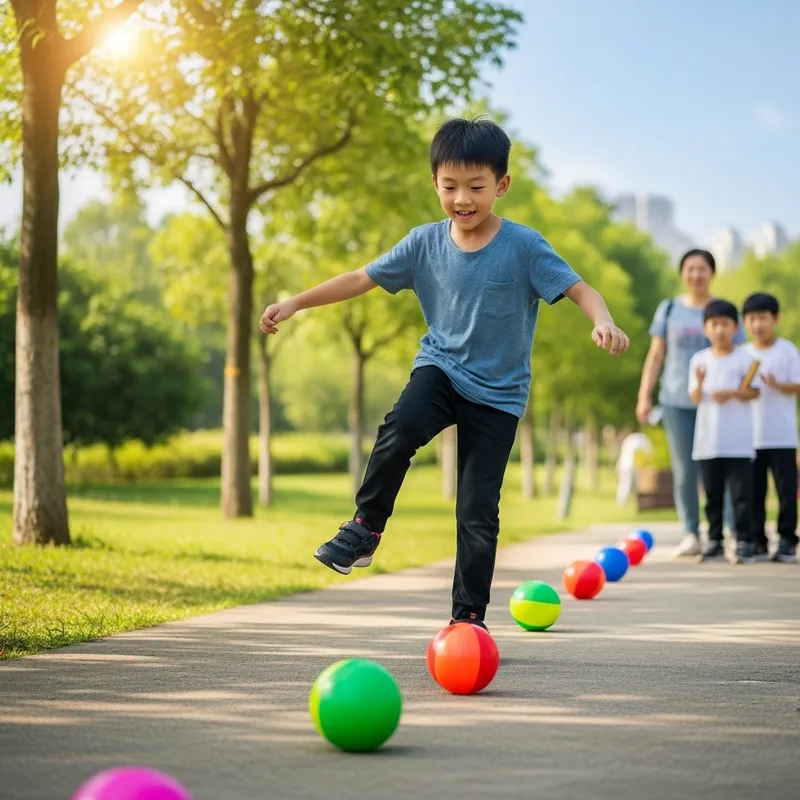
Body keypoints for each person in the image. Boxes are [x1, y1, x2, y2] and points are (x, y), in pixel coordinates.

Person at [259, 118, 630, 629]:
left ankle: (468, 618)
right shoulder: (423, 243)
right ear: (434, 183)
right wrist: (297, 302)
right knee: (399, 428)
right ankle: (365, 528)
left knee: (477, 510)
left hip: (498, 396)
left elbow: (581, 289)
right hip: (441, 368)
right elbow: (360, 277)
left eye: (476, 187)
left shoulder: (524, 246)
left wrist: (603, 320)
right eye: (450, 186)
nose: (462, 198)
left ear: (501, 185)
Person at [636, 249, 744, 558]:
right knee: (685, 471)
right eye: (690, 269)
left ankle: (729, 532)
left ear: (712, 273)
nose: (696, 275)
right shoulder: (669, 309)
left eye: (702, 269)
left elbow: (743, 356)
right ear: (682, 273)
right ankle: (691, 533)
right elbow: (656, 355)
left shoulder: (725, 309)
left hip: (718, 405)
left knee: (721, 468)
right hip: (675, 401)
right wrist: (645, 395)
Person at [688, 300, 759, 564]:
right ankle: (715, 540)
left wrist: (732, 393)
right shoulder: (699, 360)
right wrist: (700, 384)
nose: (720, 330)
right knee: (713, 494)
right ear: (705, 328)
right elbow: (695, 397)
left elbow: (754, 392)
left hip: (739, 442)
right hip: (708, 441)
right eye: (714, 324)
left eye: (725, 324)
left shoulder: (746, 359)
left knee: (742, 495)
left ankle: (744, 541)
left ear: (735, 327)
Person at [743, 292, 800, 563]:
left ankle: (787, 539)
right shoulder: (743, 353)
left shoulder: (787, 350)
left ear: (775, 319)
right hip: (749, 437)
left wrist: (778, 385)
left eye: (763, 318)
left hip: (782, 436)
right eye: (752, 319)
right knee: (753, 492)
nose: (757, 325)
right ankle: (757, 540)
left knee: (786, 491)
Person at [615, 427, 653, 507]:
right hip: (631, 465)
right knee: (627, 484)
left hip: (626, 465)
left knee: (628, 484)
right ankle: (622, 503)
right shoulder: (641, 438)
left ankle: (627, 502)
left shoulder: (629, 439)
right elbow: (648, 451)